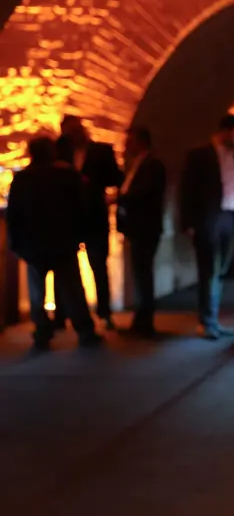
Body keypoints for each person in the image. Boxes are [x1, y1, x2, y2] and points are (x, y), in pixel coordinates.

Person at [6, 136, 102, 349]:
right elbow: (80, 209)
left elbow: (14, 214)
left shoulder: (23, 179)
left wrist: (16, 243)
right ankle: (85, 330)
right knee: (73, 290)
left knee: (37, 293)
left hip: (33, 245)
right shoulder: (67, 176)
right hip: (63, 243)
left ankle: (42, 332)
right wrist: (80, 237)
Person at [179, 114, 234, 340]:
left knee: (221, 271)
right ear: (225, 132)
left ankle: (213, 319)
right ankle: (207, 321)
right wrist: (188, 222)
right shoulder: (200, 156)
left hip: (230, 219)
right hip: (209, 219)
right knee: (209, 271)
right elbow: (187, 190)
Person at [55, 115, 124, 330]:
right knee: (64, 267)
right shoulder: (60, 153)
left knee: (99, 266)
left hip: (94, 216)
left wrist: (93, 183)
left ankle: (104, 312)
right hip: (69, 219)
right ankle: (63, 314)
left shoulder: (101, 151)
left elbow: (116, 178)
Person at [116, 126, 166, 337]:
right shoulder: (136, 164)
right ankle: (140, 321)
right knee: (140, 274)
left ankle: (145, 323)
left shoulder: (153, 165)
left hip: (146, 227)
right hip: (137, 227)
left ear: (141, 142)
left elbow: (145, 193)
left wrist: (119, 198)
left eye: (130, 141)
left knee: (143, 275)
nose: (126, 145)